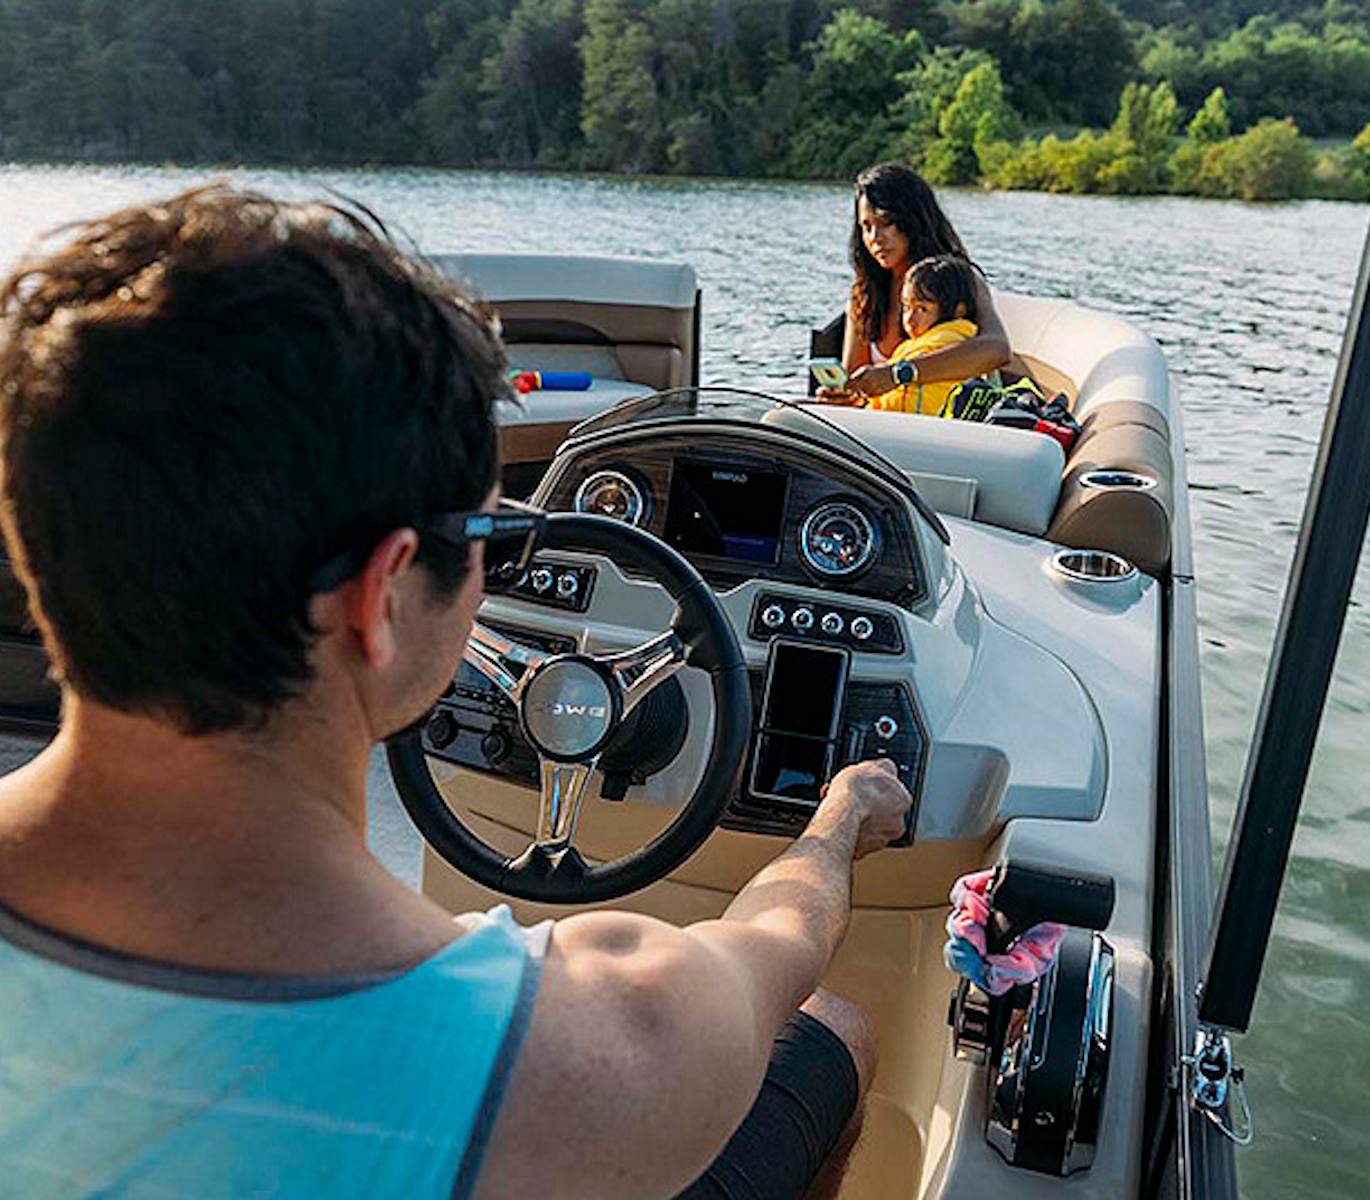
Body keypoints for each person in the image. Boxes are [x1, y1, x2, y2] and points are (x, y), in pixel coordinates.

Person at [0, 186, 912, 1200]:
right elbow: (776, 948)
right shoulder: (593, 1058)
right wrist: (838, 822)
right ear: (384, 595)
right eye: (493, 538)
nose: (491, 577)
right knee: (833, 1030)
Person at [822, 162, 1011, 405]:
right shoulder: (864, 296)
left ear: (913, 220)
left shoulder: (960, 280)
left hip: (942, 424)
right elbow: (855, 394)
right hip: (878, 422)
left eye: (886, 222)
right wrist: (838, 396)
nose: (875, 238)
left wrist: (899, 374)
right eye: (866, 227)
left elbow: (997, 349)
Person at [863, 254, 978, 416]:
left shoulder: (950, 340)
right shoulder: (908, 346)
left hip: (919, 426)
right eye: (906, 307)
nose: (910, 319)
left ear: (958, 310)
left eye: (922, 309)